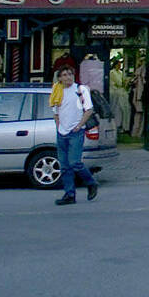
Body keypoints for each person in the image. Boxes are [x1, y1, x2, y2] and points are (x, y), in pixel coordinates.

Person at [52, 66, 99, 205]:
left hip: (75, 132)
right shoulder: (57, 90)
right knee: (65, 166)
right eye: (64, 75)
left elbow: (89, 110)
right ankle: (69, 194)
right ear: (59, 78)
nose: (68, 77)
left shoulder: (80, 89)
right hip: (62, 132)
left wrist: (79, 125)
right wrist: (59, 126)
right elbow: (55, 111)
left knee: (75, 162)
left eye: (70, 74)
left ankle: (91, 182)